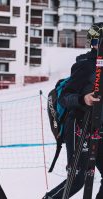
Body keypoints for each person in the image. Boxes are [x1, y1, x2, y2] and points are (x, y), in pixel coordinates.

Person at [43, 23, 103, 199]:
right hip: (80, 124)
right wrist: (83, 99)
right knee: (78, 178)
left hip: (99, 126)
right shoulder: (85, 65)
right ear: (94, 43)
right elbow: (65, 96)